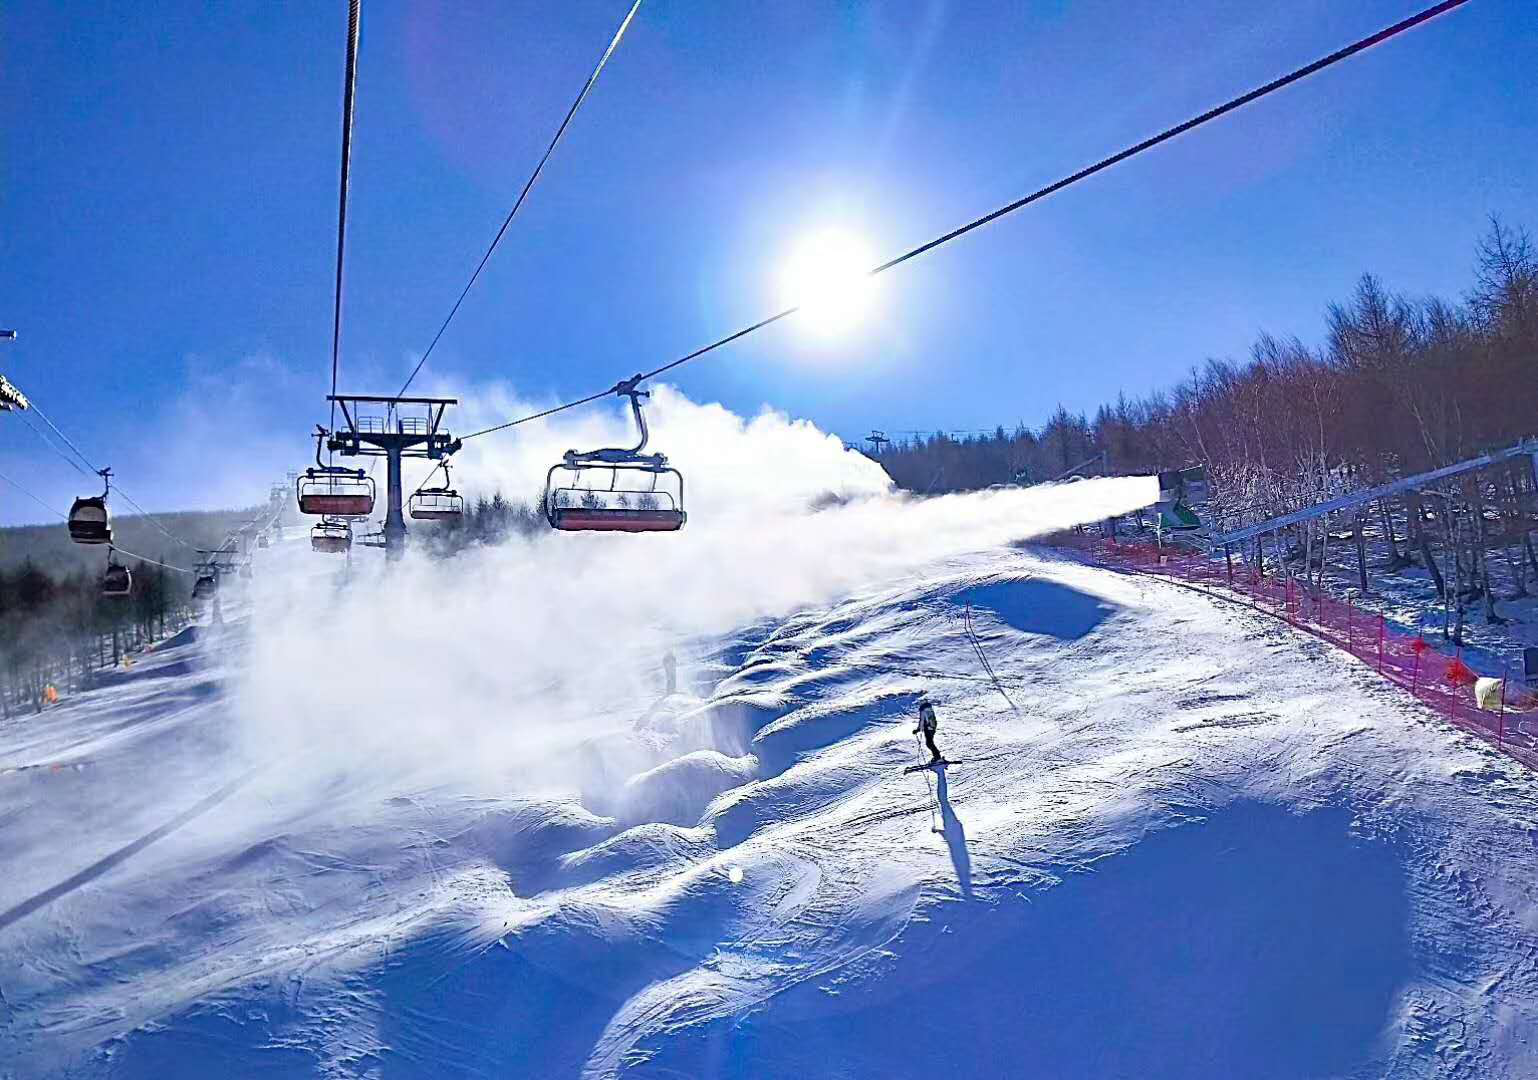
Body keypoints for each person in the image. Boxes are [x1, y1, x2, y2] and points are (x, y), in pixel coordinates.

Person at [913, 696, 943, 764]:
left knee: (929, 743)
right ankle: (937, 757)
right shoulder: (930, 708)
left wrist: (918, 730)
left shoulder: (923, 710)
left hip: (928, 728)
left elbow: (922, 720)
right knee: (930, 742)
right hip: (933, 726)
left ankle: (937, 757)